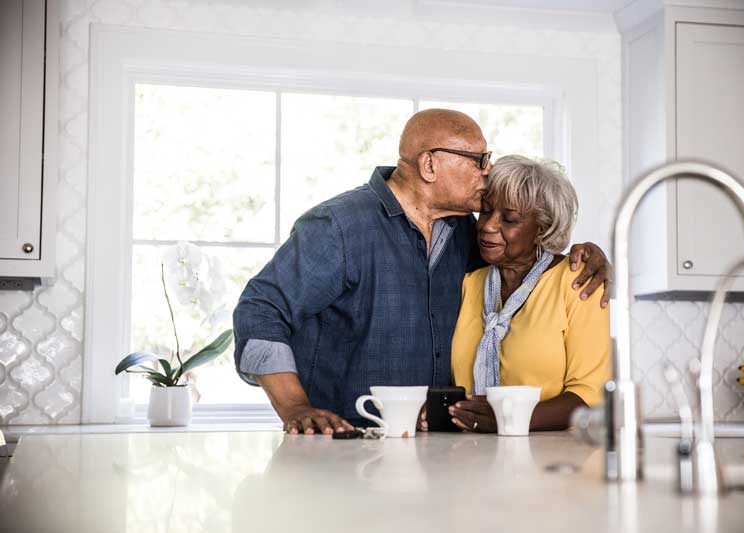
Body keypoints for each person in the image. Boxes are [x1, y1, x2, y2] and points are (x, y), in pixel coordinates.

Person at [233, 109, 612, 435]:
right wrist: (295, 407)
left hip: (439, 452)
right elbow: (260, 310)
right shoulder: (340, 226)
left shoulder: (464, 232)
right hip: (345, 445)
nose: (488, 171)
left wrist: (589, 255)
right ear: (430, 164)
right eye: (479, 159)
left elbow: (528, 258)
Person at [448, 155, 611, 433]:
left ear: (542, 229)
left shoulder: (579, 280)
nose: (488, 226)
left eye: (509, 219)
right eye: (485, 211)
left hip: (553, 452)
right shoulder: (470, 283)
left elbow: (590, 395)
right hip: (469, 447)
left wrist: (507, 417)